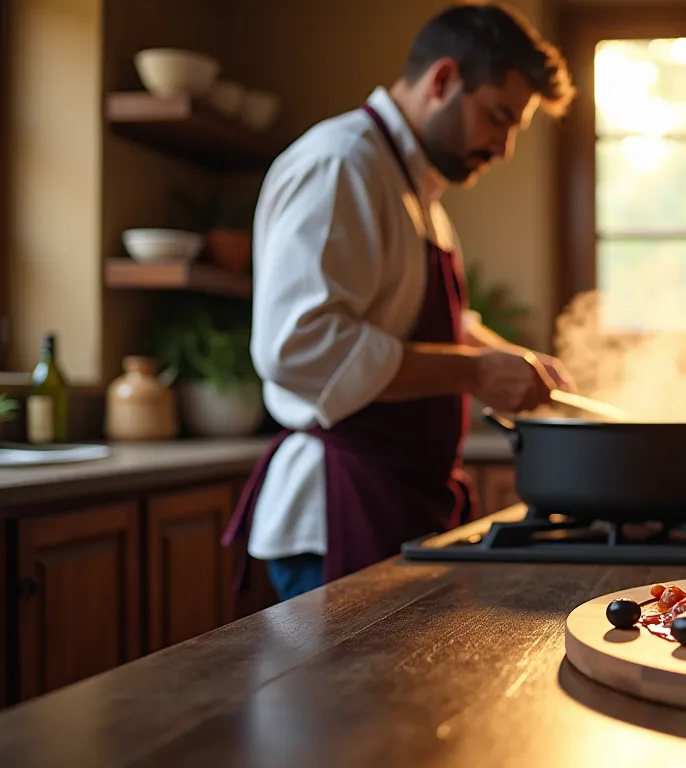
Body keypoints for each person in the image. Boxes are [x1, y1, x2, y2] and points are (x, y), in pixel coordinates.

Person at [222, 1, 576, 602]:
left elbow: (425, 322)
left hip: (396, 501)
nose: (504, 147)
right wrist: (474, 371)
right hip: (339, 509)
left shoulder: (411, 185)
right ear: (443, 81)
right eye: (499, 117)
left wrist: (512, 359)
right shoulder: (341, 165)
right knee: (338, 699)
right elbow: (298, 346)